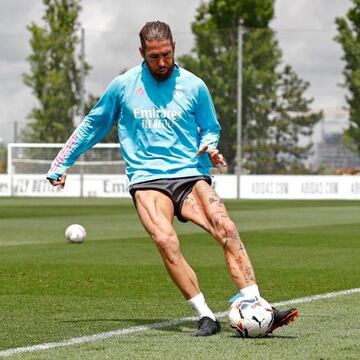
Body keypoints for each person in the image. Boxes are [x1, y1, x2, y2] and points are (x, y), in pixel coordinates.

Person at [47, 21, 299, 336]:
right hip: (148, 179)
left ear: (174, 47)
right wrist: (60, 164)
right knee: (166, 241)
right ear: (142, 53)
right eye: (154, 57)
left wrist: (210, 145)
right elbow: (93, 125)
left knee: (227, 227)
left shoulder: (194, 86)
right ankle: (206, 316)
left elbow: (210, 127)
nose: (162, 63)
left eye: (166, 54)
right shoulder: (123, 86)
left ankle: (256, 303)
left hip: (190, 174)